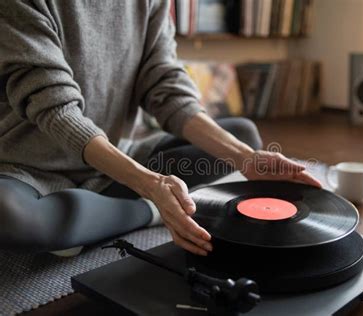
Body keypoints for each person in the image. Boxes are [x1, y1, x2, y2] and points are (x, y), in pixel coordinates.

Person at [0, 0, 320, 257]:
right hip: (31, 170)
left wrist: (247, 158)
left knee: (242, 135)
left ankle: (88, 217)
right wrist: (151, 185)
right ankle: (148, 211)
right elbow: (55, 110)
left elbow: (166, 87)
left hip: (115, 160)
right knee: (11, 218)